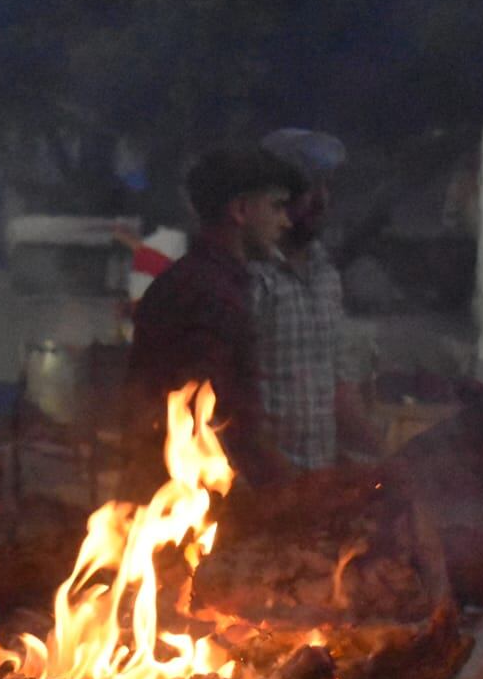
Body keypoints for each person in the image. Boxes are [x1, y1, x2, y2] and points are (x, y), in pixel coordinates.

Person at [123, 144, 301, 487]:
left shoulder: (186, 282)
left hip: (167, 500)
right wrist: (288, 491)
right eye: (276, 207)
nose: (285, 221)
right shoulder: (213, 294)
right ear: (240, 210)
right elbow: (208, 416)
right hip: (193, 505)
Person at [251, 128, 381, 470]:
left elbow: (340, 389)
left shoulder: (326, 275)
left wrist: (385, 461)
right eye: (308, 190)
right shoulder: (251, 278)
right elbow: (230, 409)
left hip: (315, 489)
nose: (322, 201)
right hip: (255, 493)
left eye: (326, 187)